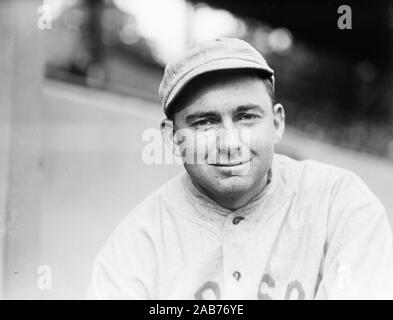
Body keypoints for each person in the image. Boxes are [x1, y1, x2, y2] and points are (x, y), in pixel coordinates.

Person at [87, 38, 393, 299]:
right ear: (172, 137)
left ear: (276, 123)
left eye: (246, 117)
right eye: (205, 122)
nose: (230, 143)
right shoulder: (137, 244)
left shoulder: (340, 204)